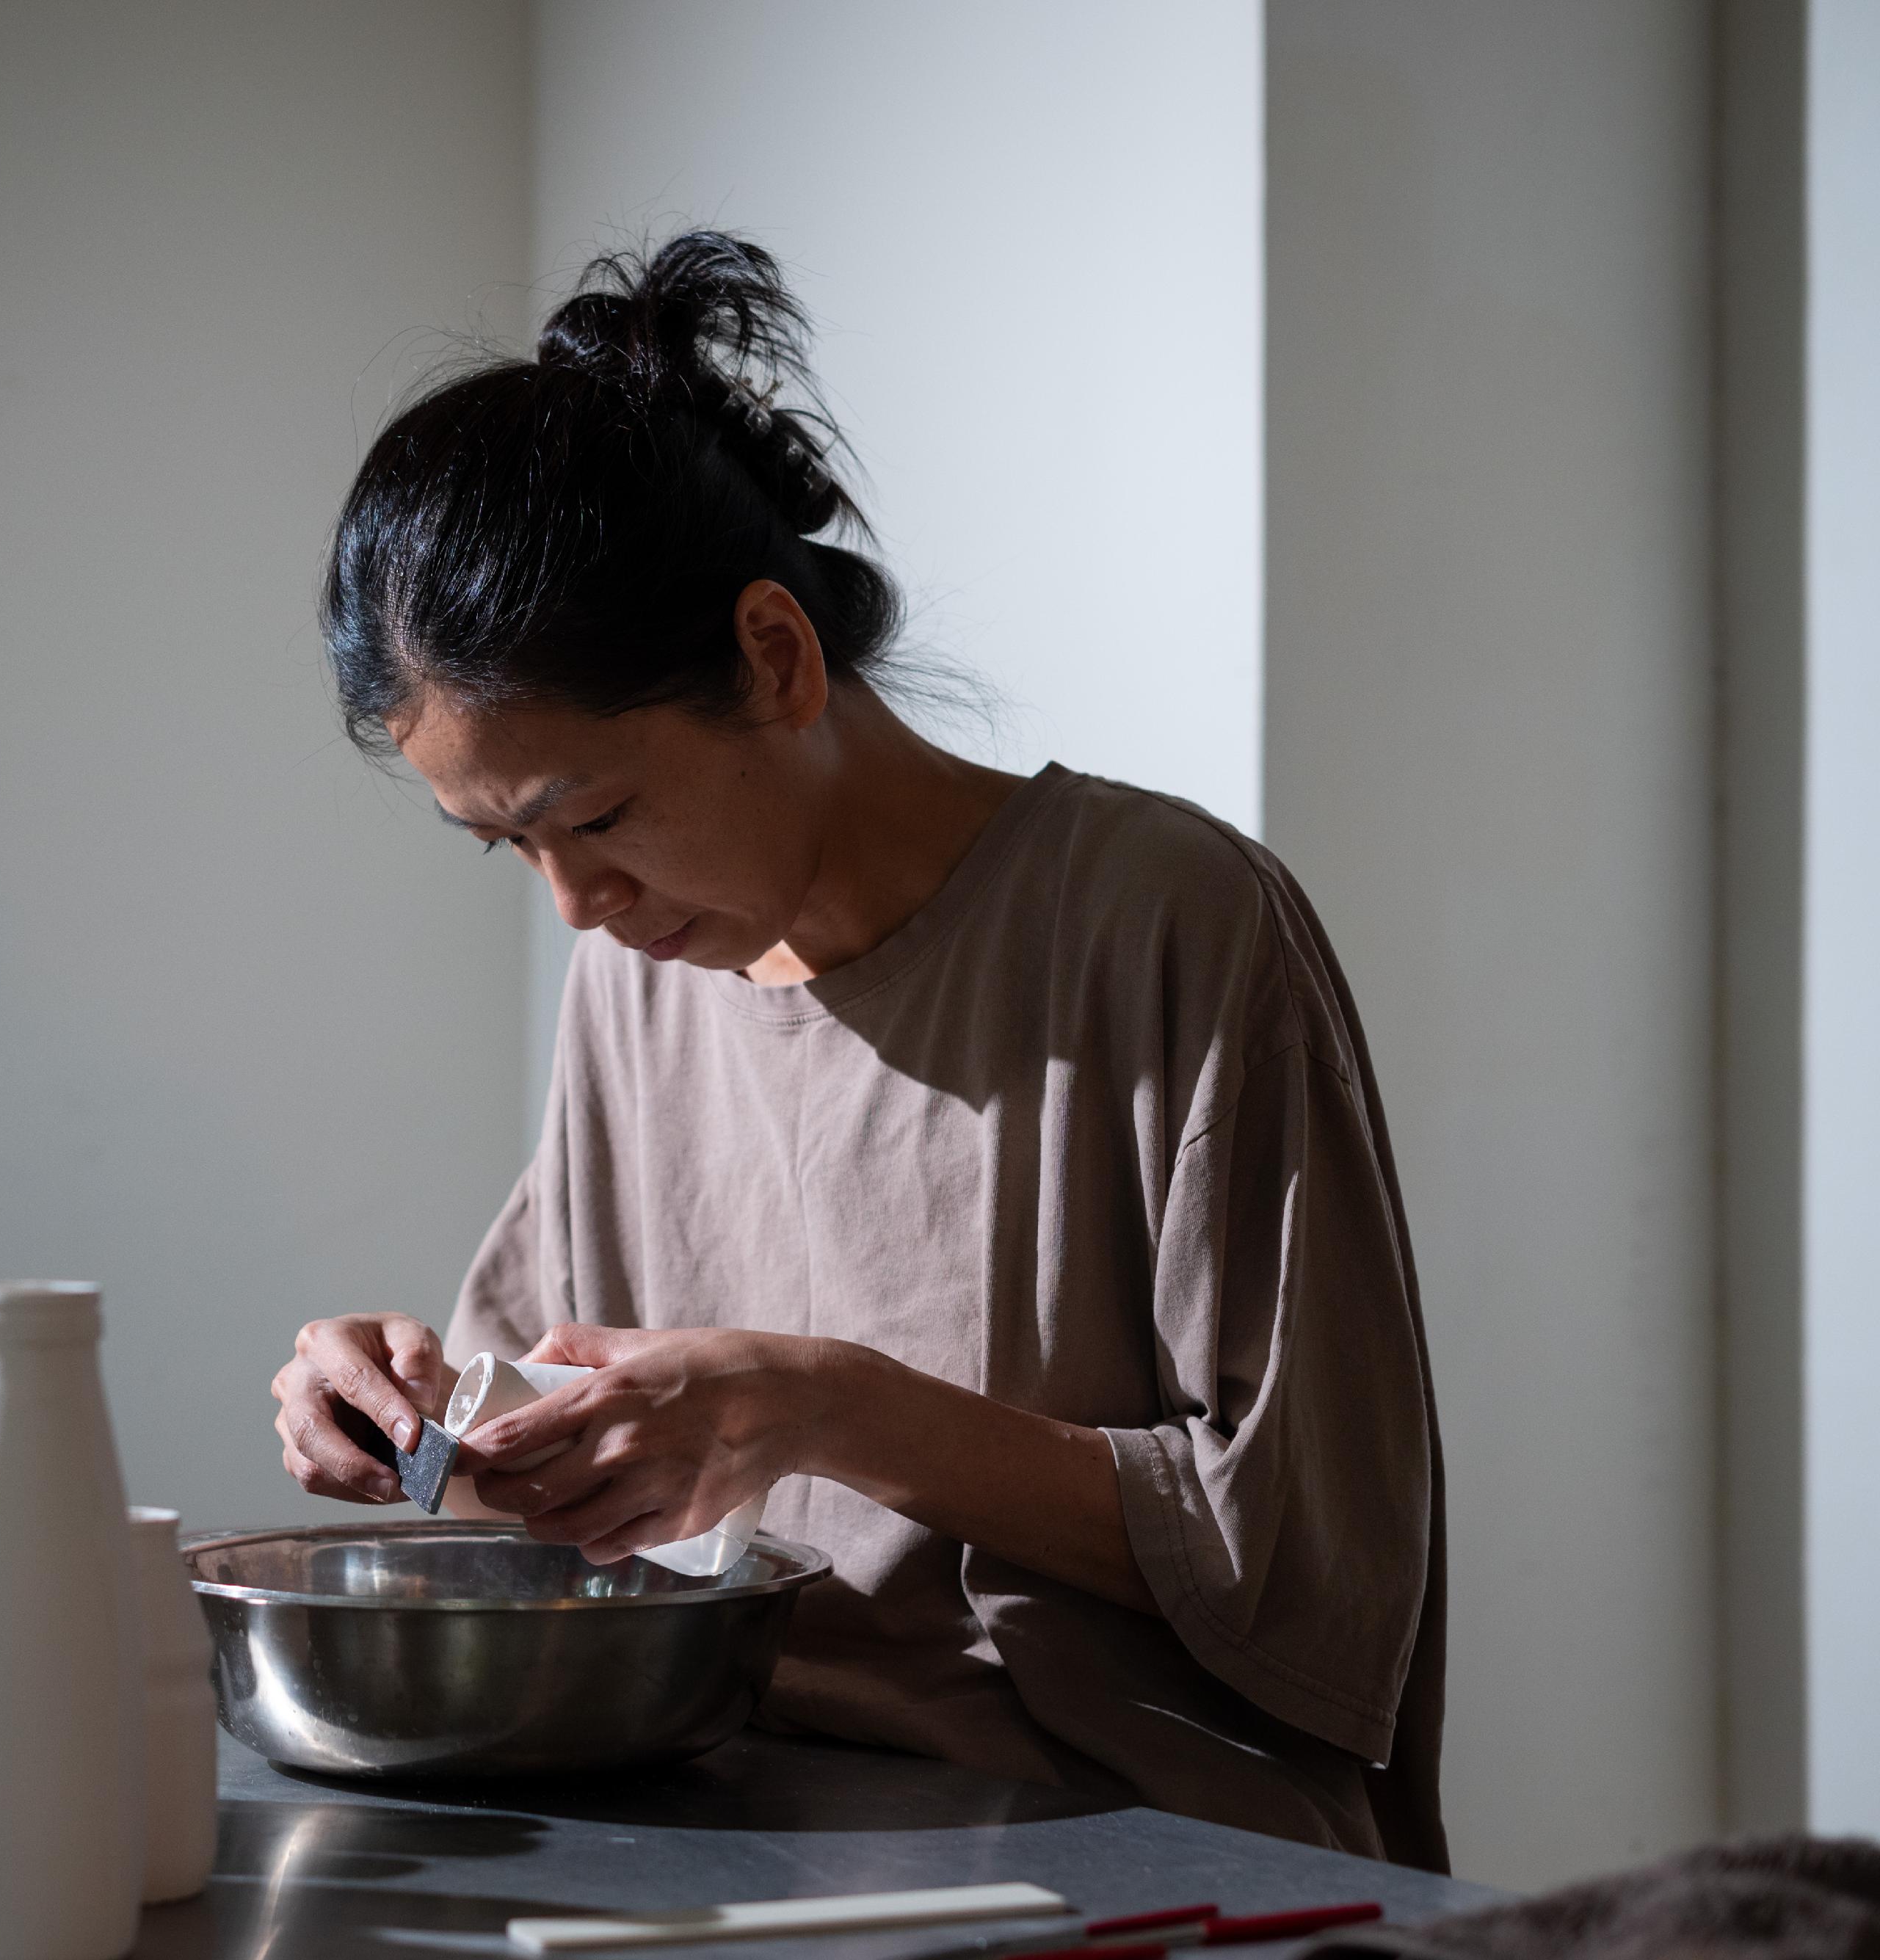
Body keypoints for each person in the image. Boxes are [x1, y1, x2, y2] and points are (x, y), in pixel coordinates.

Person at [270, 232, 1447, 1870]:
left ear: (774, 656)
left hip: (1116, 1836)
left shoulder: (1162, 918)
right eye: (505, 851)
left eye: (594, 819)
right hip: (724, 1806)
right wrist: (401, 1427)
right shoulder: (636, 973)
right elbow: (546, 1487)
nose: (574, 904)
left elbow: (1311, 1573)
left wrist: (826, 1410)